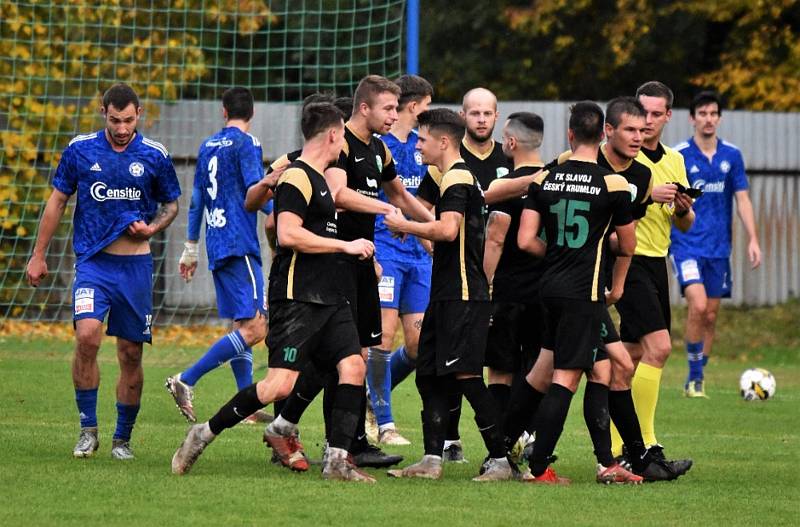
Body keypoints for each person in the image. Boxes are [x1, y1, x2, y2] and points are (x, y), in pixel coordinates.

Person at [171, 102, 378, 482]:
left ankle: (336, 461)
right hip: (297, 298)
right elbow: (287, 234)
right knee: (278, 385)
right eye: (342, 138)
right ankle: (203, 433)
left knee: (353, 367)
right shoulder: (297, 177)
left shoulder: (320, 177)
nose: (343, 146)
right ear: (334, 134)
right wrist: (346, 246)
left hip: (331, 296)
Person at [263, 76, 432, 471]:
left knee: (350, 358)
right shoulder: (340, 147)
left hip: (362, 264)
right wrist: (382, 211)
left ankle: (337, 440)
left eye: (397, 107)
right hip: (335, 263)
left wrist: (434, 227)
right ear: (364, 108)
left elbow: (400, 196)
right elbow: (339, 195)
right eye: (389, 108)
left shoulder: (378, 149)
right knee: (337, 358)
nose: (396, 114)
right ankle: (315, 436)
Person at [25, 83, 181, 459]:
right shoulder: (81, 149)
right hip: (94, 263)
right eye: (115, 120)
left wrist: (153, 228)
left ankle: (122, 440)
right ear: (103, 113)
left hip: (136, 267)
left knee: (130, 354)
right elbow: (58, 201)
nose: (122, 127)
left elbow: (171, 205)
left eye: (128, 120)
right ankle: (87, 430)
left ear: (138, 114)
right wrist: (38, 255)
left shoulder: (154, 155)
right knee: (88, 337)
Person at [384, 108, 514, 482]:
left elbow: (447, 229)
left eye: (422, 139)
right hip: (444, 293)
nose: (417, 145)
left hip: (463, 294)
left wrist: (404, 224)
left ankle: (501, 461)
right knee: (428, 375)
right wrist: (404, 211)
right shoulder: (441, 174)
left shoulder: (457, 177)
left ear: (443, 141)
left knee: (468, 376)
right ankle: (431, 459)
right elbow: (428, 217)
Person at [515, 101, 636, 484]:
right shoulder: (613, 183)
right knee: (566, 379)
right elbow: (627, 244)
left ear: (569, 135)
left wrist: (557, 254)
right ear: (603, 136)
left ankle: (606, 462)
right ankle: (538, 468)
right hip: (584, 294)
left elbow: (525, 240)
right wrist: (615, 285)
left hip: (549, 287)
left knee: (599, 368)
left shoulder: (543, 179)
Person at [165, 87, 271, 425]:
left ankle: (247, 405)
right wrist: (287, 210)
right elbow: (255, 190)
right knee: (257, 327)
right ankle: (187, 378)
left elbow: (197, 200)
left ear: (224, 112)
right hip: (240, 243)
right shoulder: (248, 144)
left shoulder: (207, 146)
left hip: (217, 243)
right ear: (251, 115)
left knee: (242, 324)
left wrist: (190, 248)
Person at [611, 81, 695, 463]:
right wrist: (647, 195)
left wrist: (680, 206)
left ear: (667, 117)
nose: (646, 122)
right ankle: (645, 443)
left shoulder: (675, 161)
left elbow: (686, 224)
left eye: (655, 115)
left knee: (626, 356)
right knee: (659, 348)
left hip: (656, 262)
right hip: (627, 261)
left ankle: (616, 448)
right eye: (641, 113)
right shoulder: (618, 157)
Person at [672, 91, 761, 397]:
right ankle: (693, 380)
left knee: (710, 314)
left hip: (719, 248)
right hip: (686, 244)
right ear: (692, 118)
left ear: (719, 118)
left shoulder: (732, 155)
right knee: (696, 305)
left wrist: (753, 239)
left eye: (713, 114)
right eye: (702, 113)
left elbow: (743, 199)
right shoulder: (679, 154)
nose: (708, 119)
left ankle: (700, 374)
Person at [443, 86, 514, 462]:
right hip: (459, 277)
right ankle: (450, 439)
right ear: (462, 116)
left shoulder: (508, 159)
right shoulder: (451, 159)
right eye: (475, 113)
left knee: (500, 361)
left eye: (488, 113)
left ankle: (502, 442)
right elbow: (428, 213)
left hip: (500, 279)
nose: (482, 119)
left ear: (497, 117)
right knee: (455, 357)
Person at [368, 74, 434, 446]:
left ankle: (369, 395)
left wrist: (430, 231)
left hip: (418, 254)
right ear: (415, 105)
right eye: (426, 106)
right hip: (385, 249)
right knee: (383, 334)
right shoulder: (380, 145)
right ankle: (385, 421)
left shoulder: (423, 146)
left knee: (417, 346)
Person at [482, 112, 545, 431]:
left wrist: (484, 284)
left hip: (509, 289)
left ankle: (499, 446)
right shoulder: (554, 180)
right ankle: (527, 438)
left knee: (500, 369)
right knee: (536, 366)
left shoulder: (504, 186)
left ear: (510, 142)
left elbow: (495, 237)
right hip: (545, 289)